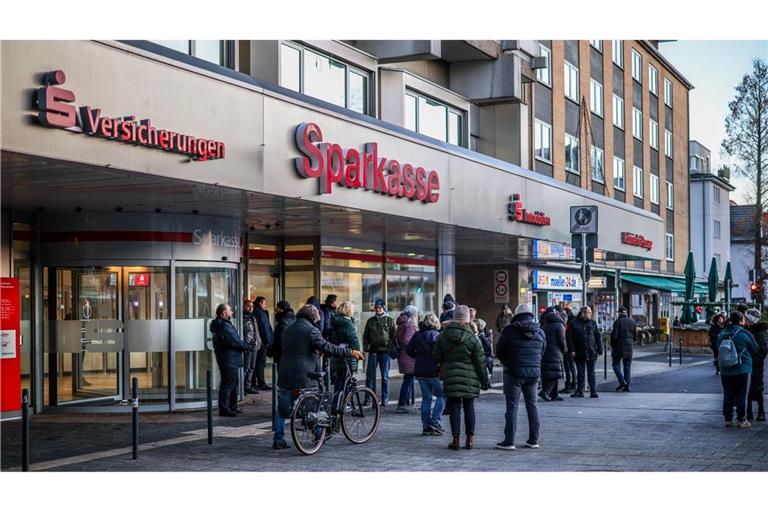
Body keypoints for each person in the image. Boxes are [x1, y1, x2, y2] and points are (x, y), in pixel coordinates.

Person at [273, 304, 364, 449]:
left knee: (282, 410)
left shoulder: (289, 328)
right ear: (313, 318)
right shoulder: (311, 330)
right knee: (314, 406)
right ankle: (318, 435)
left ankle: (278, 439)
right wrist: (350, 352)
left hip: (285, 375)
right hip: (305, 376)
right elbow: (326, 346)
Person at [434, 304, 490, 450]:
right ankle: (470, 439)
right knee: (469, 408)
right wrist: (484, 381)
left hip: (451, 376)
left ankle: (456, 440)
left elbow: (436, 355)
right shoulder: (473, 337)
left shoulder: (444, 335)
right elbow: (480, 362)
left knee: (454, 409)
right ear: (467, 318)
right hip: (470, 378)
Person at [494, 303, 546, 450]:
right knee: (533, 406)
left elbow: (499, 350)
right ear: (531, 315)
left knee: (512, 407)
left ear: (516, 315)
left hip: (514, 372)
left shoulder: (510, 330)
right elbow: (543, 350)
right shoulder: (540, 332)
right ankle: (533, 440)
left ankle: (509, 441)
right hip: (533, 374)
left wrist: (507, 362)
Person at [717, 311, 759, 428]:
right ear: (741, 321)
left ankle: (728, 419)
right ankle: (741, 420)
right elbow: (755, 348)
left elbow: (717, 347)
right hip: (742, 368)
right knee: (741, 393)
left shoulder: (723, 333)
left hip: (725, 369)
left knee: (728, 393)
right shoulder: (744, 334)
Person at [405, 313, 445, 435]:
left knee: (426, 399)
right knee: (442, 395)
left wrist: (417, 356)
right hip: (433, 370)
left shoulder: (417, 335)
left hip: (420, 370)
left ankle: (426, 426)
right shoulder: (436, 335)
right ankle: (435, 421)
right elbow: (441, 352)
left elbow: (408, 350)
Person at [209, 304, 251, 417]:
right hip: (228, 358)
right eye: (230, 310)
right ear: (223, 313)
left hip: (229, 358)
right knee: (228, 384)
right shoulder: (223, 325)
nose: (232, 312)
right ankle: (225, 409)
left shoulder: (222, 324)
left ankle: (232, 406)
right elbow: (233, 340)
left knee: (233, 383)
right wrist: (245, 346)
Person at [363, 298, 397, 406]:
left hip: (384, 352)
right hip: (373, 351)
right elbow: (366, 335)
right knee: (370, 376)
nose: (377, 309)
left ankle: (384, 399)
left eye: (379, 307)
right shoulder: (371, 321)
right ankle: (368, 398)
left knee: (385, 377)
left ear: (383, 308)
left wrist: (390, 347)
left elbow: (393, 336)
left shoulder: (389, 320)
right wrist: (366, 346)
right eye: (376, 308)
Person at [567, 306, 603, 398]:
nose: (591, 314)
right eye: (589, 312)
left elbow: (598, 337)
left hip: (591, 352)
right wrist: (572, 350)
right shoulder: (573, 323)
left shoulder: (593, 323)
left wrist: (600, 349)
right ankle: (579, 391)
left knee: (591, 372)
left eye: (591, 312)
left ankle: (593, 391)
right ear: (583, 313)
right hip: (579, 352)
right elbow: (569, 339)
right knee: (580, 373)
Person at [330, 301, 361, 395]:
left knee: (338, 381)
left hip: (336, 353)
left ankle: (337, 403)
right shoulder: (347, 323)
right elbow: (353, 339)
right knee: (347, 380)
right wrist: (358, 351)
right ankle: (345, 403)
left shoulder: (334, 321)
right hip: (347, 353)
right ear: (348, 310)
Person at [745, 309, 768, 422]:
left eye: (747, 318)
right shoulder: (748, 329)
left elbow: (763, 349)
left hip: (756, 365)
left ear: (751, 319)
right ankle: (749, 412)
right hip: (750, 363)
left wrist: (754, 361)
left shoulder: (759, 331)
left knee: (757, 389)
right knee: (749, 389)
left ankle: (760, 412)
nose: (745, 320)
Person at [540, 306, 567, 401]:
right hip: (556, 352)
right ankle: (545, 392)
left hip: (545, 351)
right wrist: (564, 349)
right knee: (556, 373)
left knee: (549, 372)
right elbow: (562, 340)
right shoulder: (560, 325)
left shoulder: (544, 324)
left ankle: (554, 394)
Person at [396, 305, 419, 413]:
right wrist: (415, 346)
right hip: (409, 356)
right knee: (408, 380)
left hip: (403, 355)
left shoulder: (402, 323)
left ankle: (405, 402)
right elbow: (407, 340)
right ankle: (402, 403)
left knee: (408, 379)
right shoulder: (410, 325)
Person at [610, 306, 636, 392]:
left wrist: (612, 345)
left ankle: (622, 381)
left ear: (620, 313)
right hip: (629, 347)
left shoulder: (618, 322)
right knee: (627, 366)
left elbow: (614, 336)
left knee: (615, 365)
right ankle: (627, 385)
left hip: (618, 347)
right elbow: (635, 336)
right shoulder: (632, 322)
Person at [242, 300, 263, 394]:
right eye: (248, 306)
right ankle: (241, 387)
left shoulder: (253, 317)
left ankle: (248, 386)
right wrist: (246, 344)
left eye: (252, 307)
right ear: (243, 306)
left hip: (254, 345)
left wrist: (258, 342)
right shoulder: (242, 318)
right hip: (247, 346)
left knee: (252, 367)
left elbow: (256, 332)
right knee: (245, 367)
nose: (250, 308)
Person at [253, 296, 274, 390]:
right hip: (261, 341)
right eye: (264, 303)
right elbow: (265, 328)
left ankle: (254, 383)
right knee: (261, 363)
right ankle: (261, 383)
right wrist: (268, 341)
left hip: (257, 341)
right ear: (261, 303)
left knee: (255, 363)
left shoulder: (255, 312)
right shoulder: (261, 313)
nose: (265, 305)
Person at [267, 300, 295, 371]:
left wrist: (272, 351)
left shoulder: (283, 321)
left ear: (281, 309)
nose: (275, 311)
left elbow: (280, 339)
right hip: (290, 352)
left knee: (282, 373)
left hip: (282, 354)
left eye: (277, 308)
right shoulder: (292, 319)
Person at [561, 307, 577, 394]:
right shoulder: (566, 323)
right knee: (567, 366)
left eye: (564, 314)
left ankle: (573, 384)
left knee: (570, 366)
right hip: (566, 348)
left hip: (570, 348)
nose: (563, 316)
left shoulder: (571, 323)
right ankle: (568, 384)